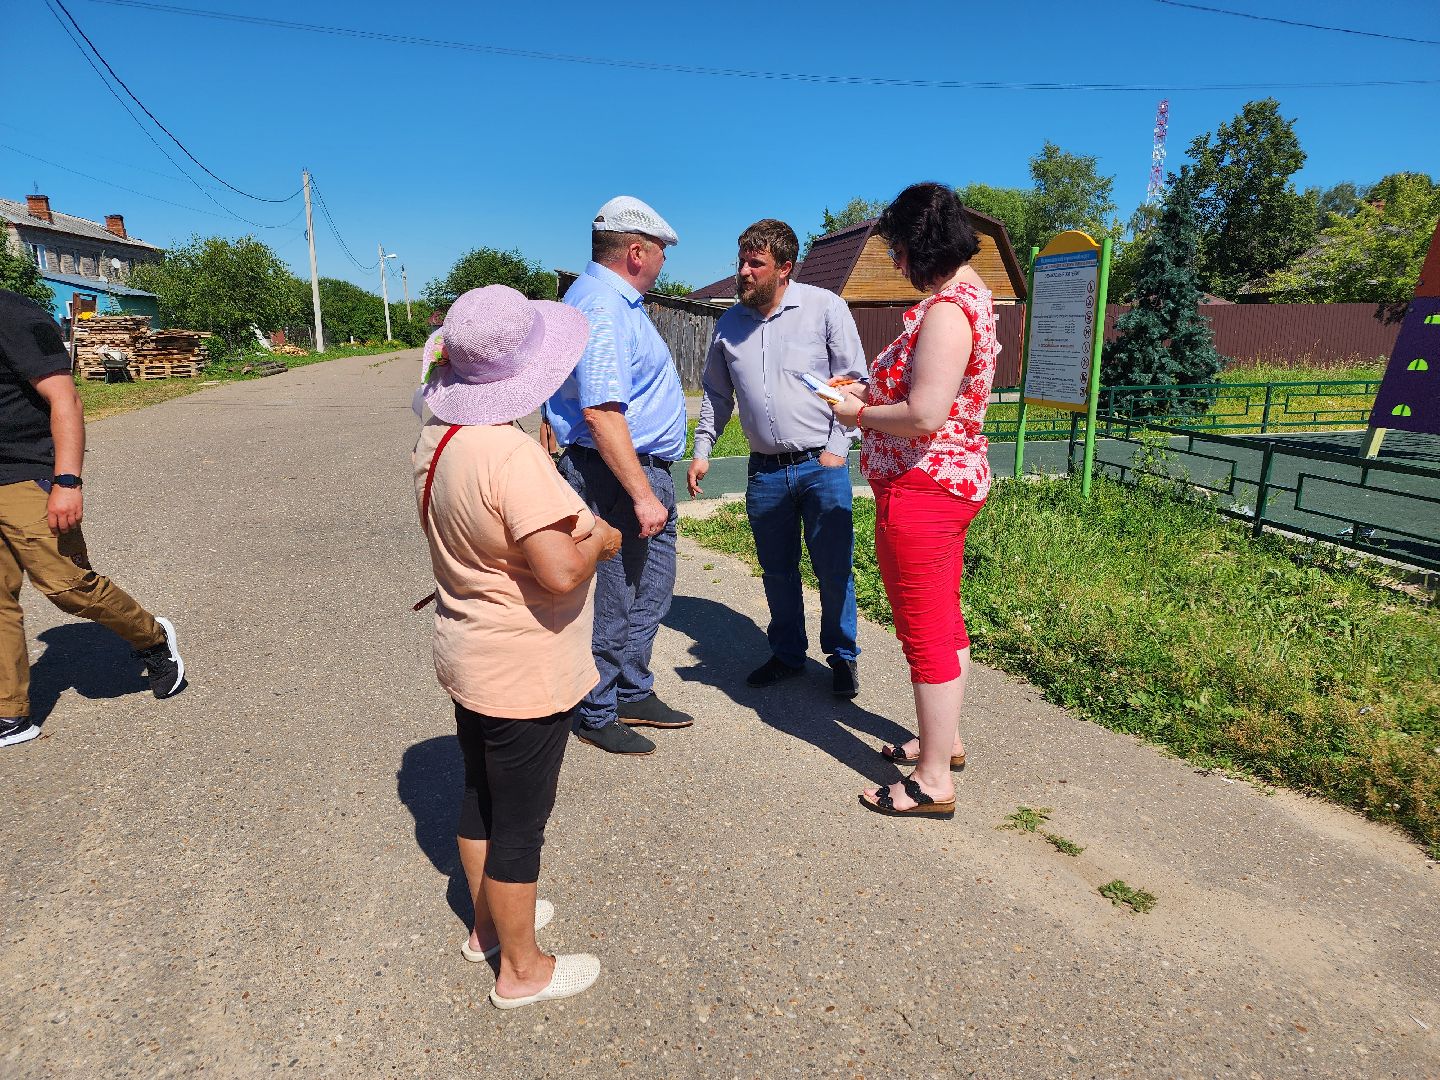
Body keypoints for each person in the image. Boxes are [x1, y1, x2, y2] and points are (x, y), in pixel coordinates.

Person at [413, 284, 622, 1009]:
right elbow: (560, 569)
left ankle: (487, 928)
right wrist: (601, 536)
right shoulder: (508, 454)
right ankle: (523, 970)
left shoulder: (439, 437)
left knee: (480, 797)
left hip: (467, 650)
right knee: (520, 827)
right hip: (522, 669)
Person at [828, 183, 998, 818]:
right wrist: (868, 391)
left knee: (923, 628)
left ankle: (931, 782)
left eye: (897, 249)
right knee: (943, 616)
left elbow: (925, 414)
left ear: (920, 246)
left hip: (925, 488)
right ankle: (943, 740)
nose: (895, 262)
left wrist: (857, 410)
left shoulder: (948, 311)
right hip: (945, 483)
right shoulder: (969, 294)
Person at [687, 219, 867, 697]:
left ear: (784, 268)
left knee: (833, 568)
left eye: (755, 264)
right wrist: (703, 449)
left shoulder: (824, 308)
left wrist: (836, 451)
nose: (744, 272)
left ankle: (842, 655)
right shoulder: (729, 325)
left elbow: (854, 383)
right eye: (742, 261)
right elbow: (716, 396)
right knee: (777, 570)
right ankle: (788, 653)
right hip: (765, 472)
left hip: (819, 467)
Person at [0, 290, 184, 748]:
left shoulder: (11, 312)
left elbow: (67, 400)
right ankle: (9, 712)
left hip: (25, 472)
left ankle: (153, 637)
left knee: (66, 584)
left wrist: (66, 479)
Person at [543, 196, 693, 756]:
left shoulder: (598, 300)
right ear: (636, 251)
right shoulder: (604, 306)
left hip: (630, 469)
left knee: (647, 589)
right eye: (659, 253)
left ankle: (631, 687)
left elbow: (562, 381)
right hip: (619, 473)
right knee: (617, 594)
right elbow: (602, 412)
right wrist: (641, 494)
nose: (662, 264)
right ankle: (598, 706)